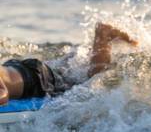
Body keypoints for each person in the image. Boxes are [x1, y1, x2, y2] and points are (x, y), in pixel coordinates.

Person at [0, 23, 137, 105]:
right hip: (19, 70)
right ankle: (78, 56)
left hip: (37, 80)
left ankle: (104, 35)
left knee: (89, 84)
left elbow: (3, 94)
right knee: (66, 75)